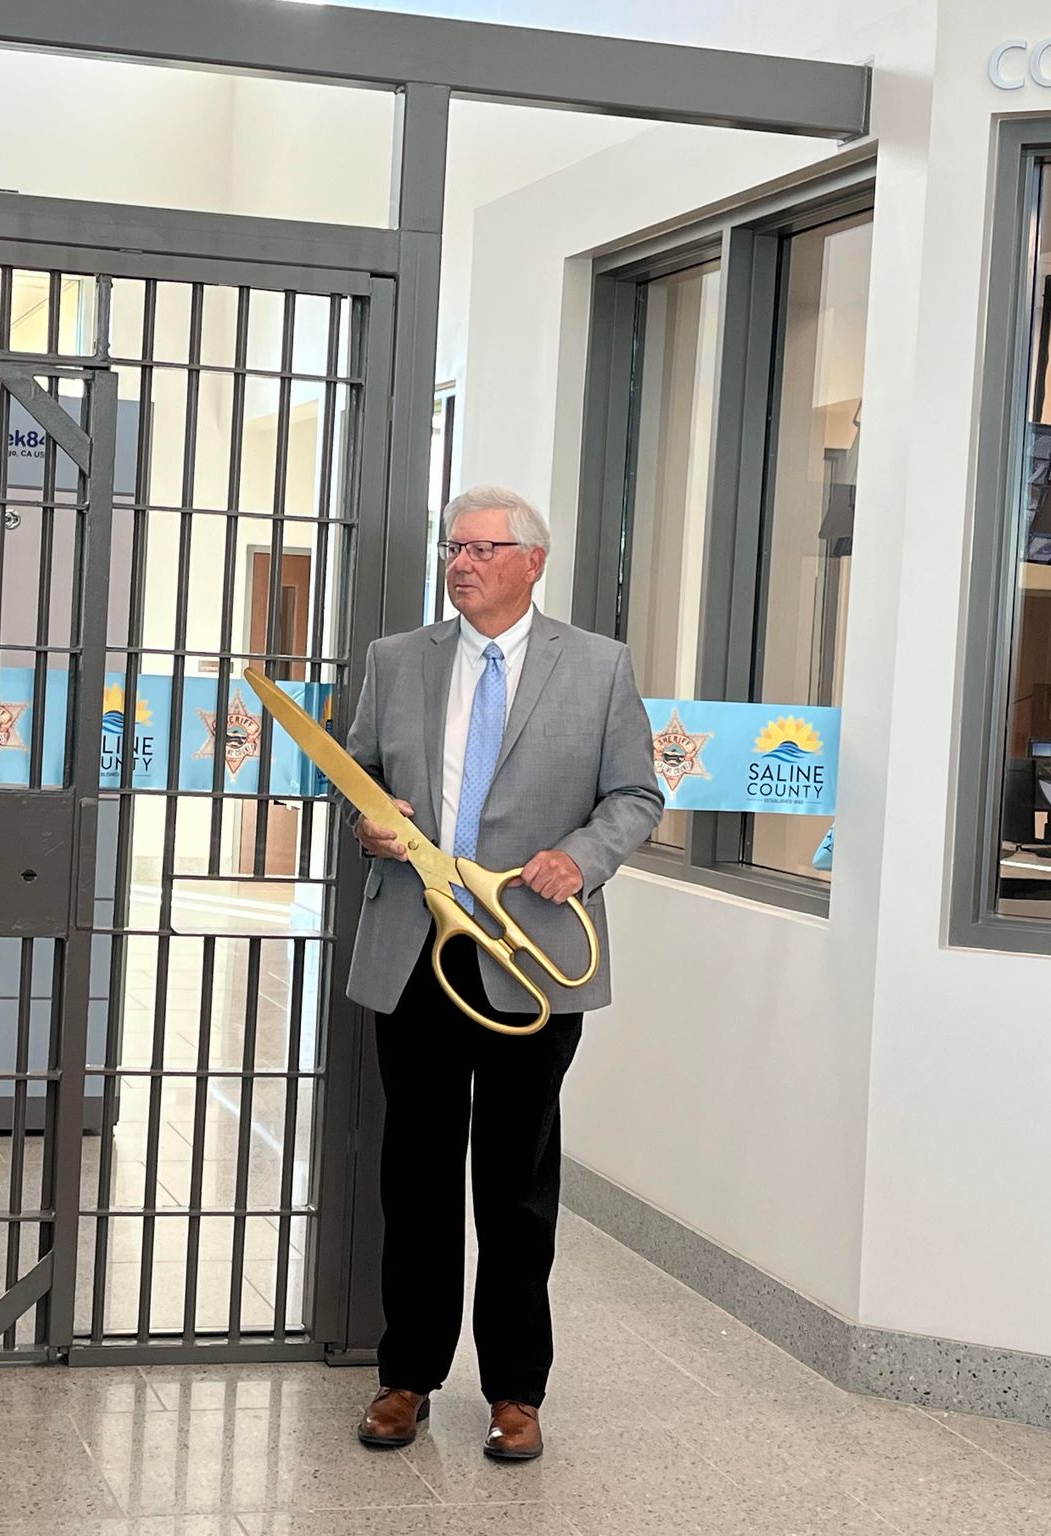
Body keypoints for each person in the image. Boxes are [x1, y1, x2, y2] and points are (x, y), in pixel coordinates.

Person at [343, 486, 663, 1463]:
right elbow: (357, 772)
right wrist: (370, 824)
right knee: (417, 1177)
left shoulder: (598, 667)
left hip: (535, 957)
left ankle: (516, 1391)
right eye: (454, 546)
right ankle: (406, 1377)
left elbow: (635, 794)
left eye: (483, 548)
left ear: (532, 562)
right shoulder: (396, 660)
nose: (461, 562)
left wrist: (582, 857)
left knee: (515, 1187)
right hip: (416, 954)